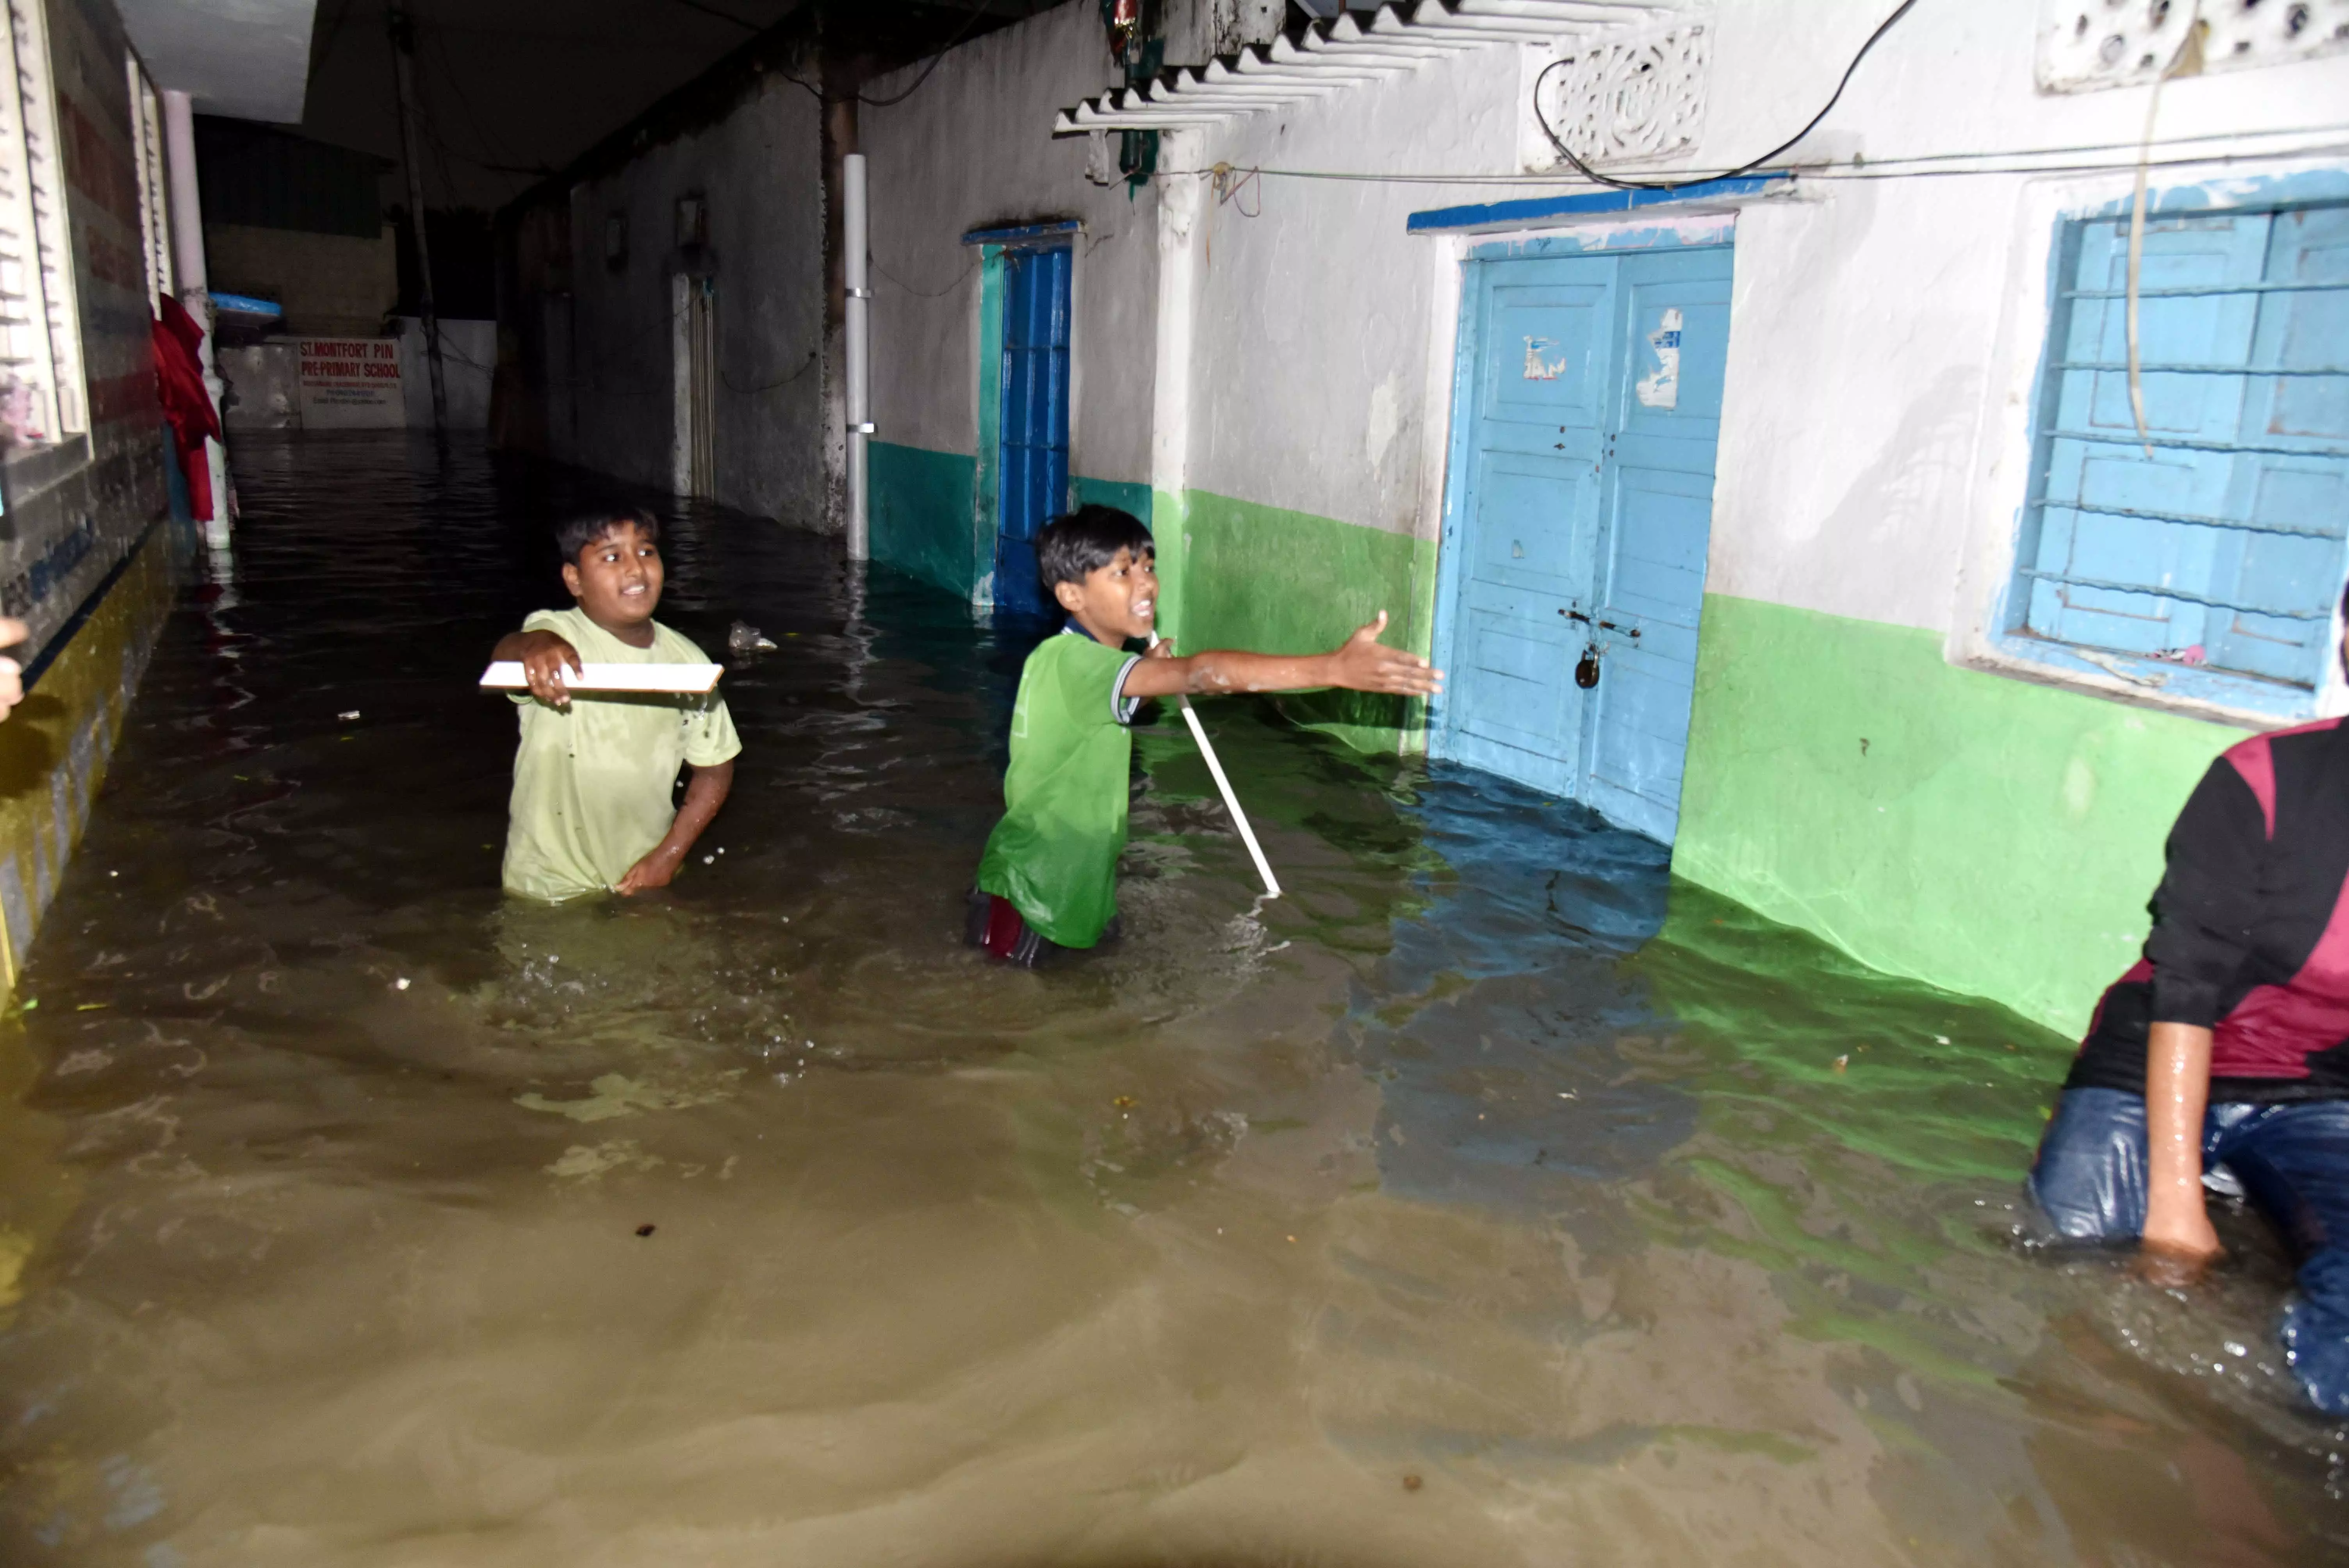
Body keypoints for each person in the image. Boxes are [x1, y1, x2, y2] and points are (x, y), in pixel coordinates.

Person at [2028, 608, 2349, 1414]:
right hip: (2155, 1057)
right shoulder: (2262, 779)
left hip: (2317, 1093)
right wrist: (2174, 1205)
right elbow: (2186, 985)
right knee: (2076, 1259)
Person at [967, 505, 1442, 965]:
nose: (1146, 583)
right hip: (1033, 899)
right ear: (1072, 597)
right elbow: (1201, 674)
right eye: (1122, 572)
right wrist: (1331, 667)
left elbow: (1102, 706)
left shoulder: (1073, 659)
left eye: (1148, 567)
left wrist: (1151, 676)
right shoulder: (1078, 664)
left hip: (1075, 883)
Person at [492, 507, 738, 901]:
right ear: (575, 579)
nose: (636, 570)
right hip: (546, 878)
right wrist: (533, 648)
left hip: (643, 870)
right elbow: (506, 655)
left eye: (646, 552)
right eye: (612, 557)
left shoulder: (687, 662)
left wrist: (667, 857)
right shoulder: (556, 637)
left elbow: (716, 770)